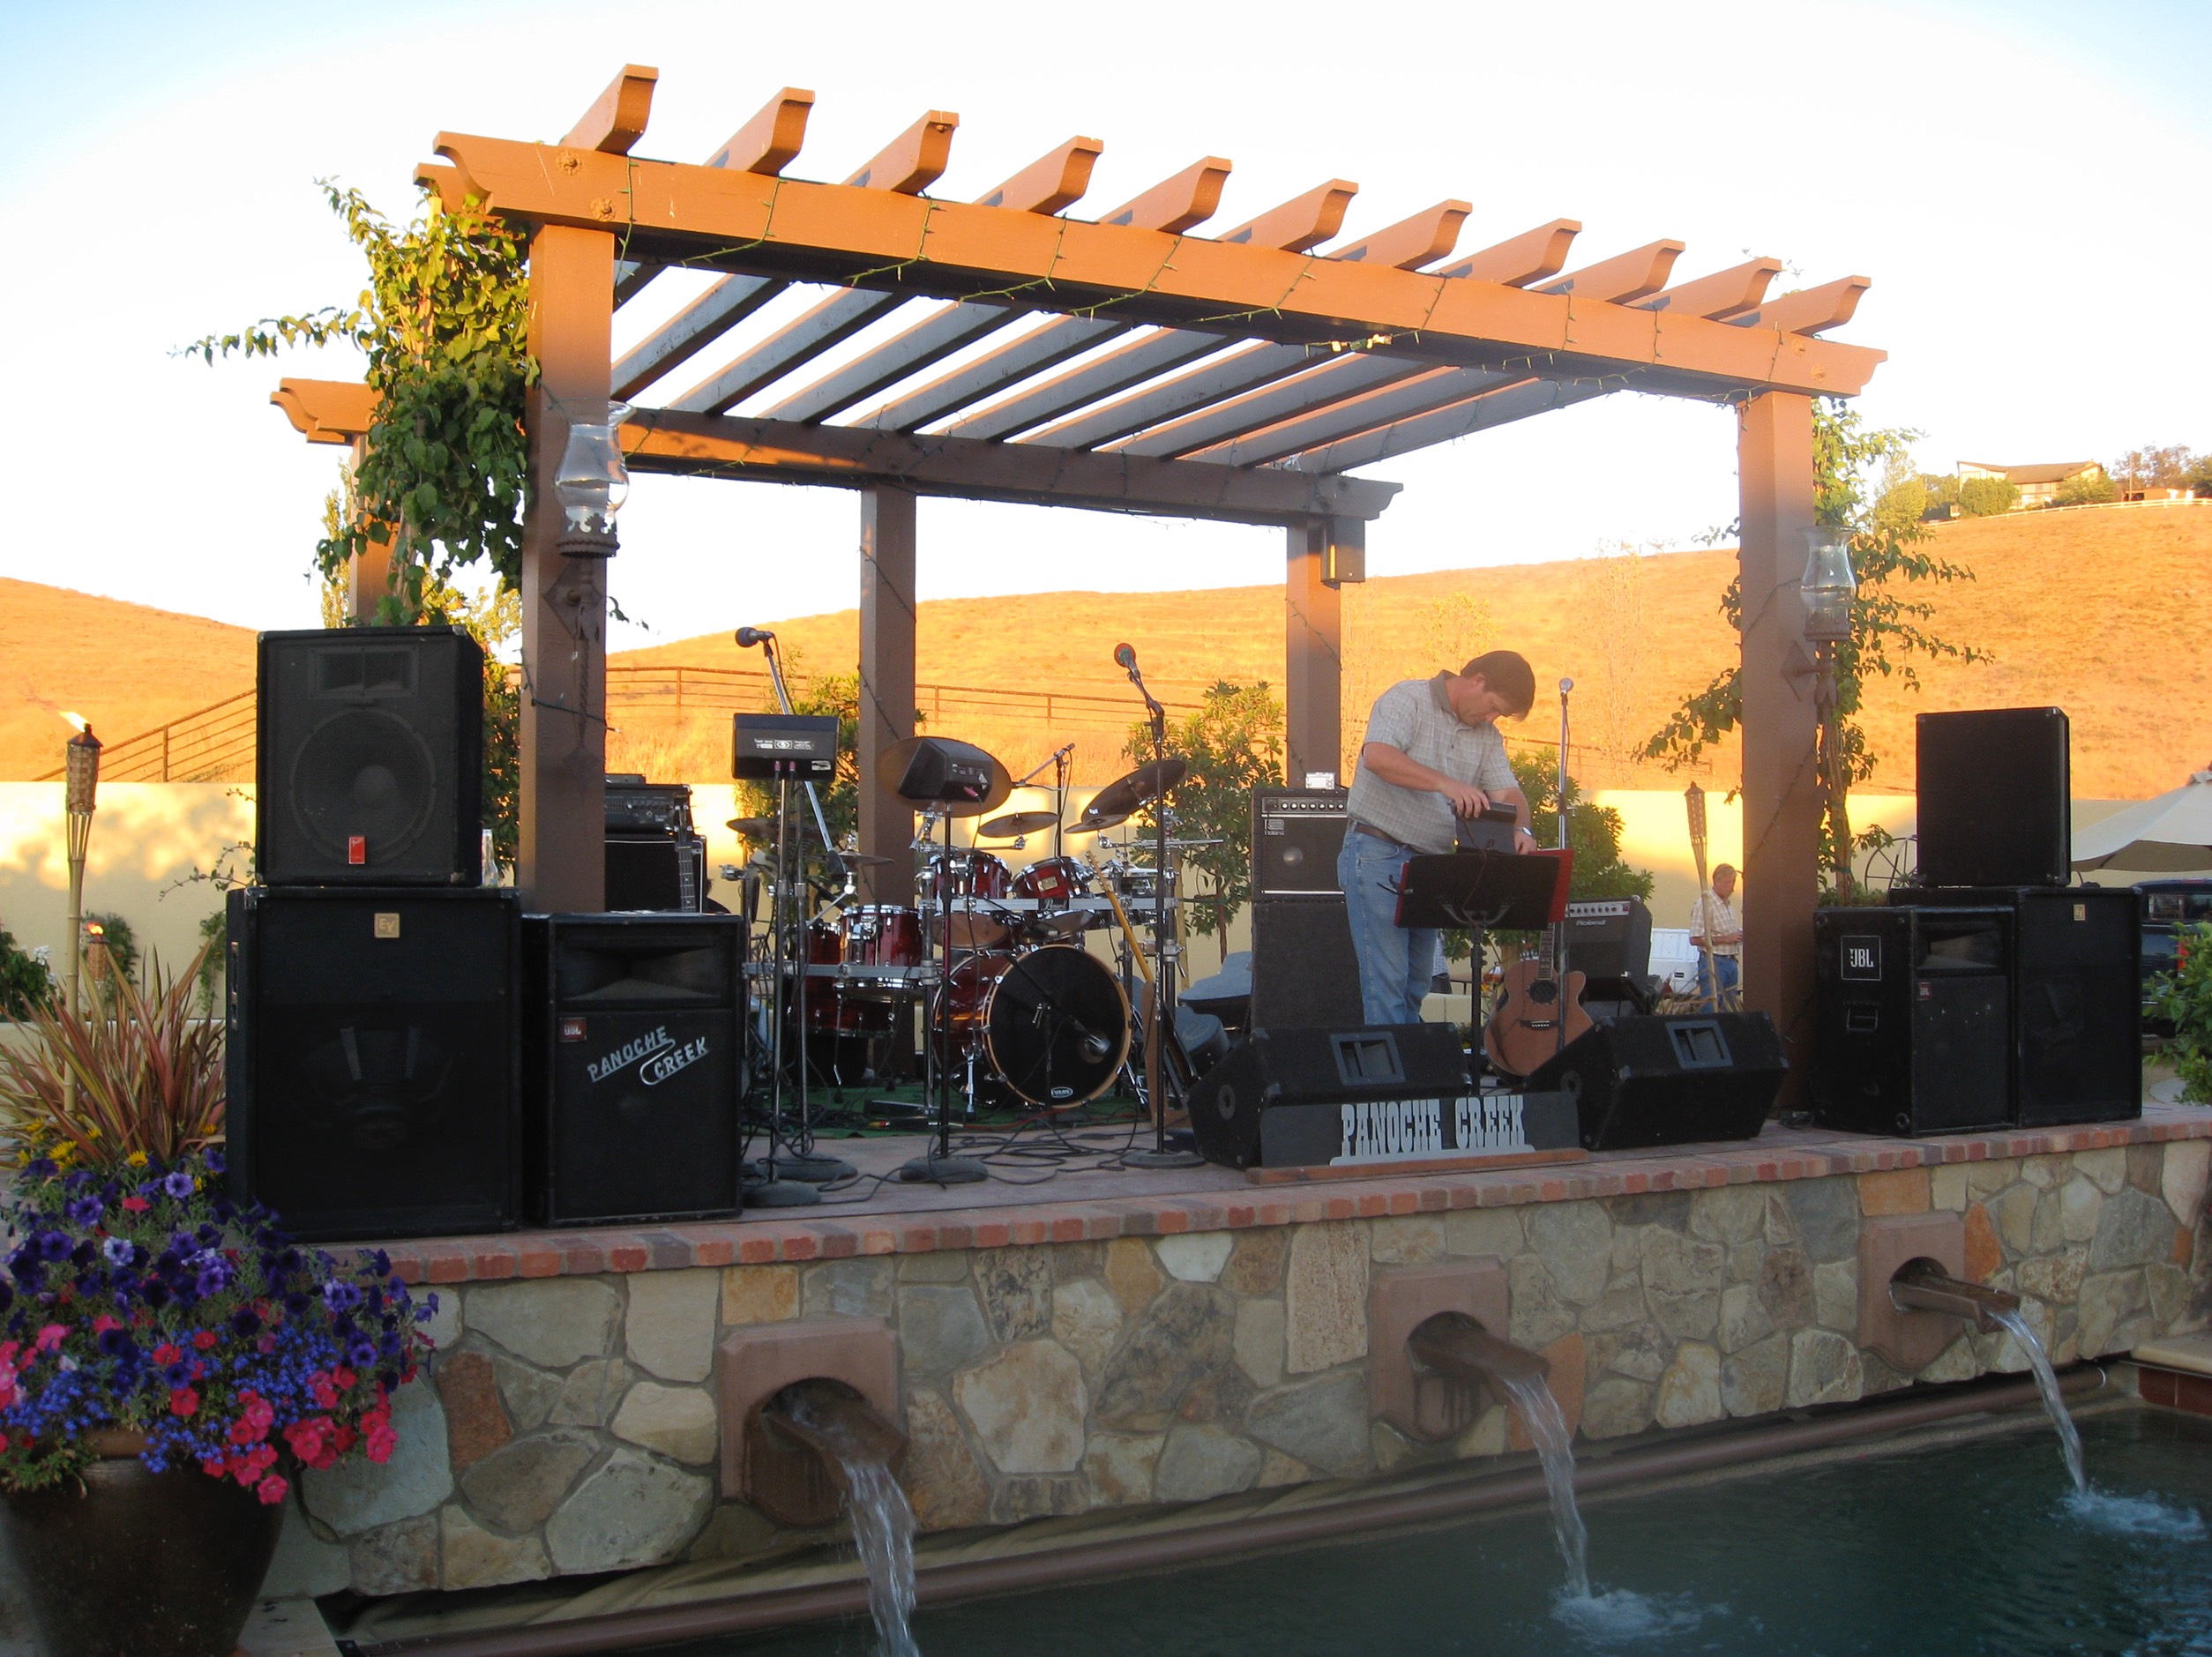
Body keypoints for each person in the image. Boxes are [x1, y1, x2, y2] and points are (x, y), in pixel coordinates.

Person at [1337, 651, 1538, 1024]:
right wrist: (1446, 784)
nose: (1491, 719)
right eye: (1493, 707)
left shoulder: (1487, 737)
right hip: (1378, 852)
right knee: (1387, 985)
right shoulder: (1407, 699)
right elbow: (1378, 756)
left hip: (1430, 866)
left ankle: (1407, 1059)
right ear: (1477, 681)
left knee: (1416, 985)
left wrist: (1521, 829)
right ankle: (1392, 1062)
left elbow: (1508, 792)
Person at [1690, 862, 1744, 1006]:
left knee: (1729, 1007)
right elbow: (1695, 939)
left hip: (1731, 960)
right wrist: (1726, 939)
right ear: (1717, 882)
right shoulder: (1704, 904)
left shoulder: (1727, 905)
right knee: (1711, 1006)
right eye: (1727, 882)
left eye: (1733, 882)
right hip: (1714, 961)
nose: (1731, 887)